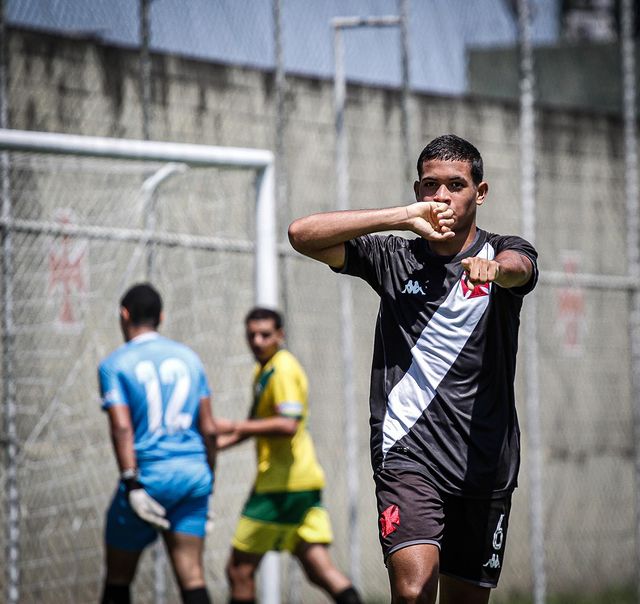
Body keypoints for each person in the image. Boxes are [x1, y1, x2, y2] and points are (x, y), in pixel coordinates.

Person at [288, 134, 538, 604]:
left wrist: (497, 272)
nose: (441, 196)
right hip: (408, 453)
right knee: (412, 591)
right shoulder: (394, 257)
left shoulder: (502, 251)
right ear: (417, 189)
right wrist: (402, 216)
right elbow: (302, 234)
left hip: (484, 461)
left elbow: (520, 267)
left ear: (480, 192)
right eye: (429, 185)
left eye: (455, 185)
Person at [216, 307, 362, 604]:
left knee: (239, 570)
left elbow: (287, 424)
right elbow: (257, 424)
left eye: (265, 335)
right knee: (318, 568)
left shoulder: (282, 368)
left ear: (280, 335)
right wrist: (219, 443)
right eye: (252, 335)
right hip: (302, 483)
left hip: (280, 486)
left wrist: (231, 425)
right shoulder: (265, 369)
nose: (257, 341)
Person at [98, 283, 217, 604]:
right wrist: (209, 482)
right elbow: (209, 429)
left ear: (124, 315)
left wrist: (131, 483)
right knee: (193, 576)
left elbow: (122, 427)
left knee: (118, 578)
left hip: (148, 478)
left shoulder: (114, 364)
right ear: (161, 317)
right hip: (193, 477)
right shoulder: (190, 359)